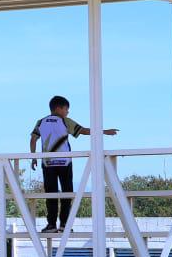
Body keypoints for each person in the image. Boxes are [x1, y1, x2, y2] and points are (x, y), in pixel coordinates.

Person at [29, 96, 118, 234]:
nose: (67, 112)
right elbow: (83, 131)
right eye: (66, 109)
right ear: (59, 108)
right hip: (65, 162)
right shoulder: (64, 121)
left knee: (50, 194)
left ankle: (51, 224)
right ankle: (64, 224)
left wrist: (34, 157)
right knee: (67, 193)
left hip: (47, 163)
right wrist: (104, 131)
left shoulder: (41, 122)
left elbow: (33, 139)